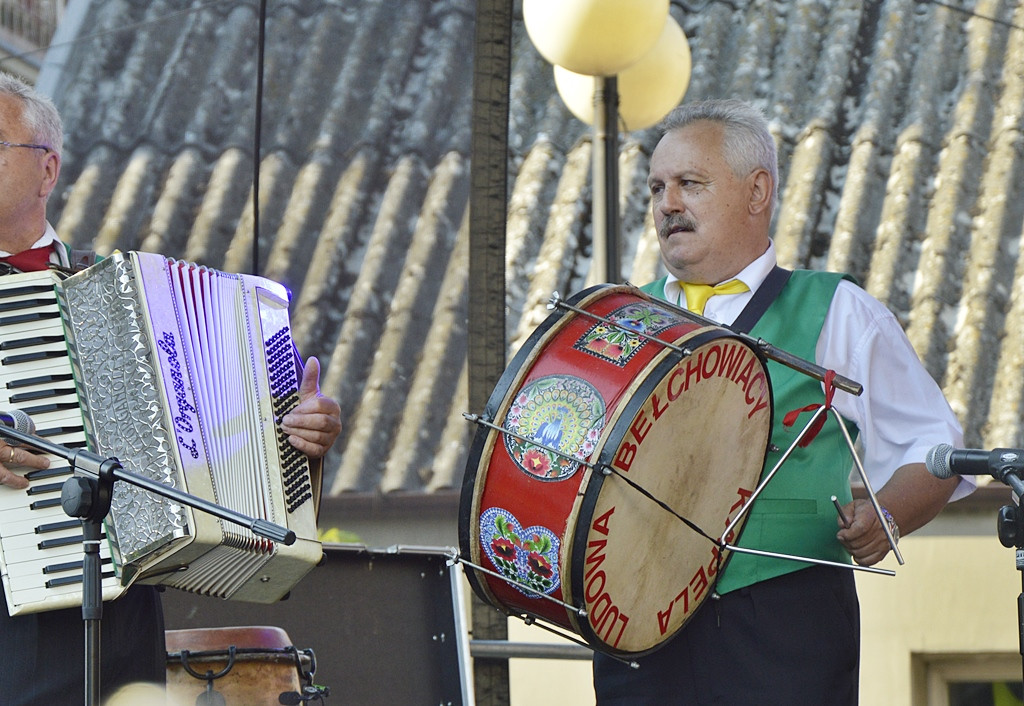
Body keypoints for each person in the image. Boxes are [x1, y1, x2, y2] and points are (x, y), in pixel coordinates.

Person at [592, 98, 974, 704]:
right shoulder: (619, 319)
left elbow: (934, 444)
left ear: (757, 190)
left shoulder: (838, 311)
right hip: (636, 626)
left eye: (690, 184)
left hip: (784, 622)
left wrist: (890, 513)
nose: (667, 204)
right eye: (657, 187)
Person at [0, 72, 342, 705]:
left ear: (47, 171)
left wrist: (296, 442)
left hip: (117, 627)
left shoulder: (124, 295)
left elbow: (215, 455)